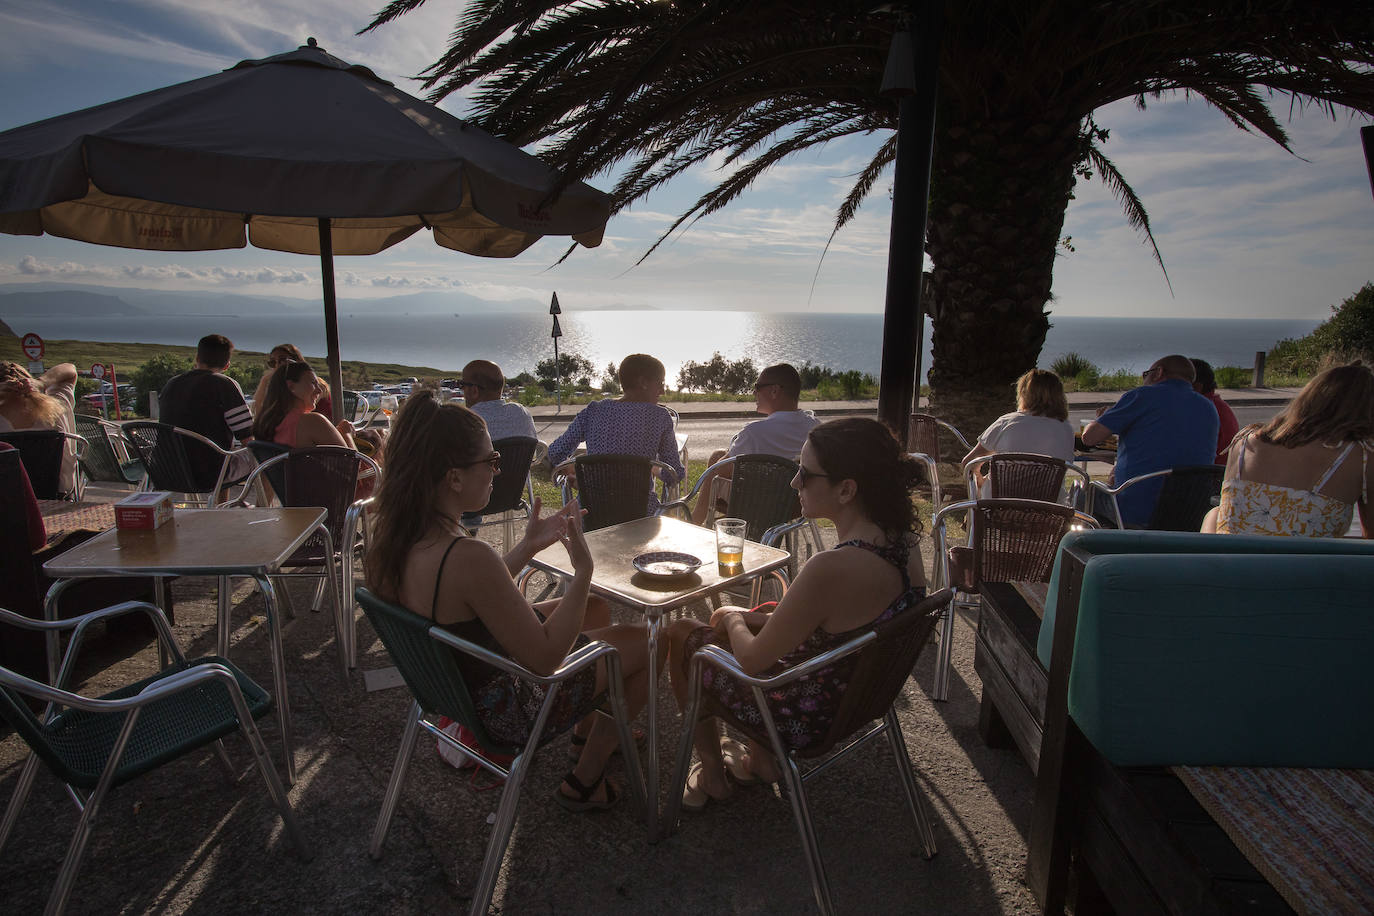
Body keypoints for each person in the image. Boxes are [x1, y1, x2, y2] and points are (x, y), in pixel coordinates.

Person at [364, 390, 658, 810]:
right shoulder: (468, 555)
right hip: (505, 711)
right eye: (492, 461)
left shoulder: (402, 538)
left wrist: (527, 548)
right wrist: (584, 573)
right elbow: (545, 659)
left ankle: (585, 731)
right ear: (454, 477)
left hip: (458, 690)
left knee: (593, 608)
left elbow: (466, 594)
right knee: (646, 641)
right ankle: (585, 782)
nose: (498, 472)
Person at [666, 418, 928, 809]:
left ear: (846, 489)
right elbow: (838, 624)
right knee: (764, 613)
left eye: (804, 474)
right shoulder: (903, 543)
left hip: (802, 714)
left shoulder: (830, 568)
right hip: (854, 697)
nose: (793, 483)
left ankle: (713, 773)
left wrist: (733, 614)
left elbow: (753, 661)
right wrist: (753, 618)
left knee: (684, 633)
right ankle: (760, 760)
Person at [1202, 362, 1372, 538]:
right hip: (1303, 564)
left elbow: (1231, 518)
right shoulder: (1361, 455)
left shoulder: (1245, 442)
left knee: (1214, 514)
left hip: (1228, 562)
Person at [1081, 354, 1218, 527]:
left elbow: (1090, 438)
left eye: (1146, 374)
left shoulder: (1142, 396)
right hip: (1189, 514)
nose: (1144, 380)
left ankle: (1086, 551)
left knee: (1081, 493)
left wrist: (1105, 417)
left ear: (1158, 372)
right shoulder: (1208, 407)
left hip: (1137, 510)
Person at [547, 353, 685, 512]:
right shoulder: (660, 417)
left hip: (591, 515)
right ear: (643, 383)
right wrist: (653, 468)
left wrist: (576, 473)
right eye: (660, 383)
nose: (662, 391)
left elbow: (555, 452)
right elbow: (674, 474)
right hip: (641, 518)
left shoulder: (593, 411)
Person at [691, 363, 819, 523]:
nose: (754, 392)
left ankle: (695, 521)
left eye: (758, 387)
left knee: (714, 465)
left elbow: (721, 470)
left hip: (755, 503)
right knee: (719, 456)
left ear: (774, 391)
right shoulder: (815, 427)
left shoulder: (754, 432)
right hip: (794, 505)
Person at [158, 334, 257, 489]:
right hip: (210, 474)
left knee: (225, 453)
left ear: (197, 358)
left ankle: (221, 504)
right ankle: (260, 508)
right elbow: (247, 438)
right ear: (226, 365)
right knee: (264, 455)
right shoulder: (224, 385)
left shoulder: (171, 384)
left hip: (169, 470)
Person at [960, 368, 1075, 494]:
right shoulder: (1066, 428)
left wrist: (979, 479)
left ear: (1024, 394)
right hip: (1049, 509)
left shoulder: (1007, 422)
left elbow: (968, 462)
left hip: (999, 508)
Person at [0, 360, 79, 496]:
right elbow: (70, 370)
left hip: (7, 503)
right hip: (56, 497)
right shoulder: (57, 407)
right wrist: (41, 382)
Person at [252, 359, 357, 450]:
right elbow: (351, 467)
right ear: (291, 387)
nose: (319, 390)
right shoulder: (312, 421)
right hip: (315, 474)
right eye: (313, 383)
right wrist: (346, 434)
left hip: (289, 473)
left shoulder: (264, 424)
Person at [460, 359, 537, 441]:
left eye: (462, 385)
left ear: (474, 390)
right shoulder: (521, 413)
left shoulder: (463, 422)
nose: (461, 389)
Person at [252, 344, 333, 419]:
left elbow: (290, 414)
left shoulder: (315, 385)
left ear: (296, 361)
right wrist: (264, 380)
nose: (277, 365)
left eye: (282, 360)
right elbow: (256, 412)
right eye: (272, 363)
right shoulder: (284, 387)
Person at [1189, 358, 1239, 465]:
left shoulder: (1201, 409)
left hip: (1209, 475)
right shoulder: (1216, 404)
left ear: (1196, 387)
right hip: (1219, 472)